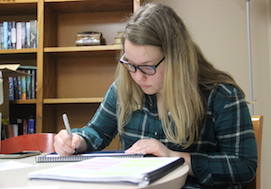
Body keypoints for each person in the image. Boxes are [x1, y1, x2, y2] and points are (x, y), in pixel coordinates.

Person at [54, 2, 257, 188]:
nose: (137, 77)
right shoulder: (123, 88)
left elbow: (244, 166)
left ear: (177, 58)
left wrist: (175, 157)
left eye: (148, 67)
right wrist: (77, 140)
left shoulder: (222, 95)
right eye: (130, 65)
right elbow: (97, 132)